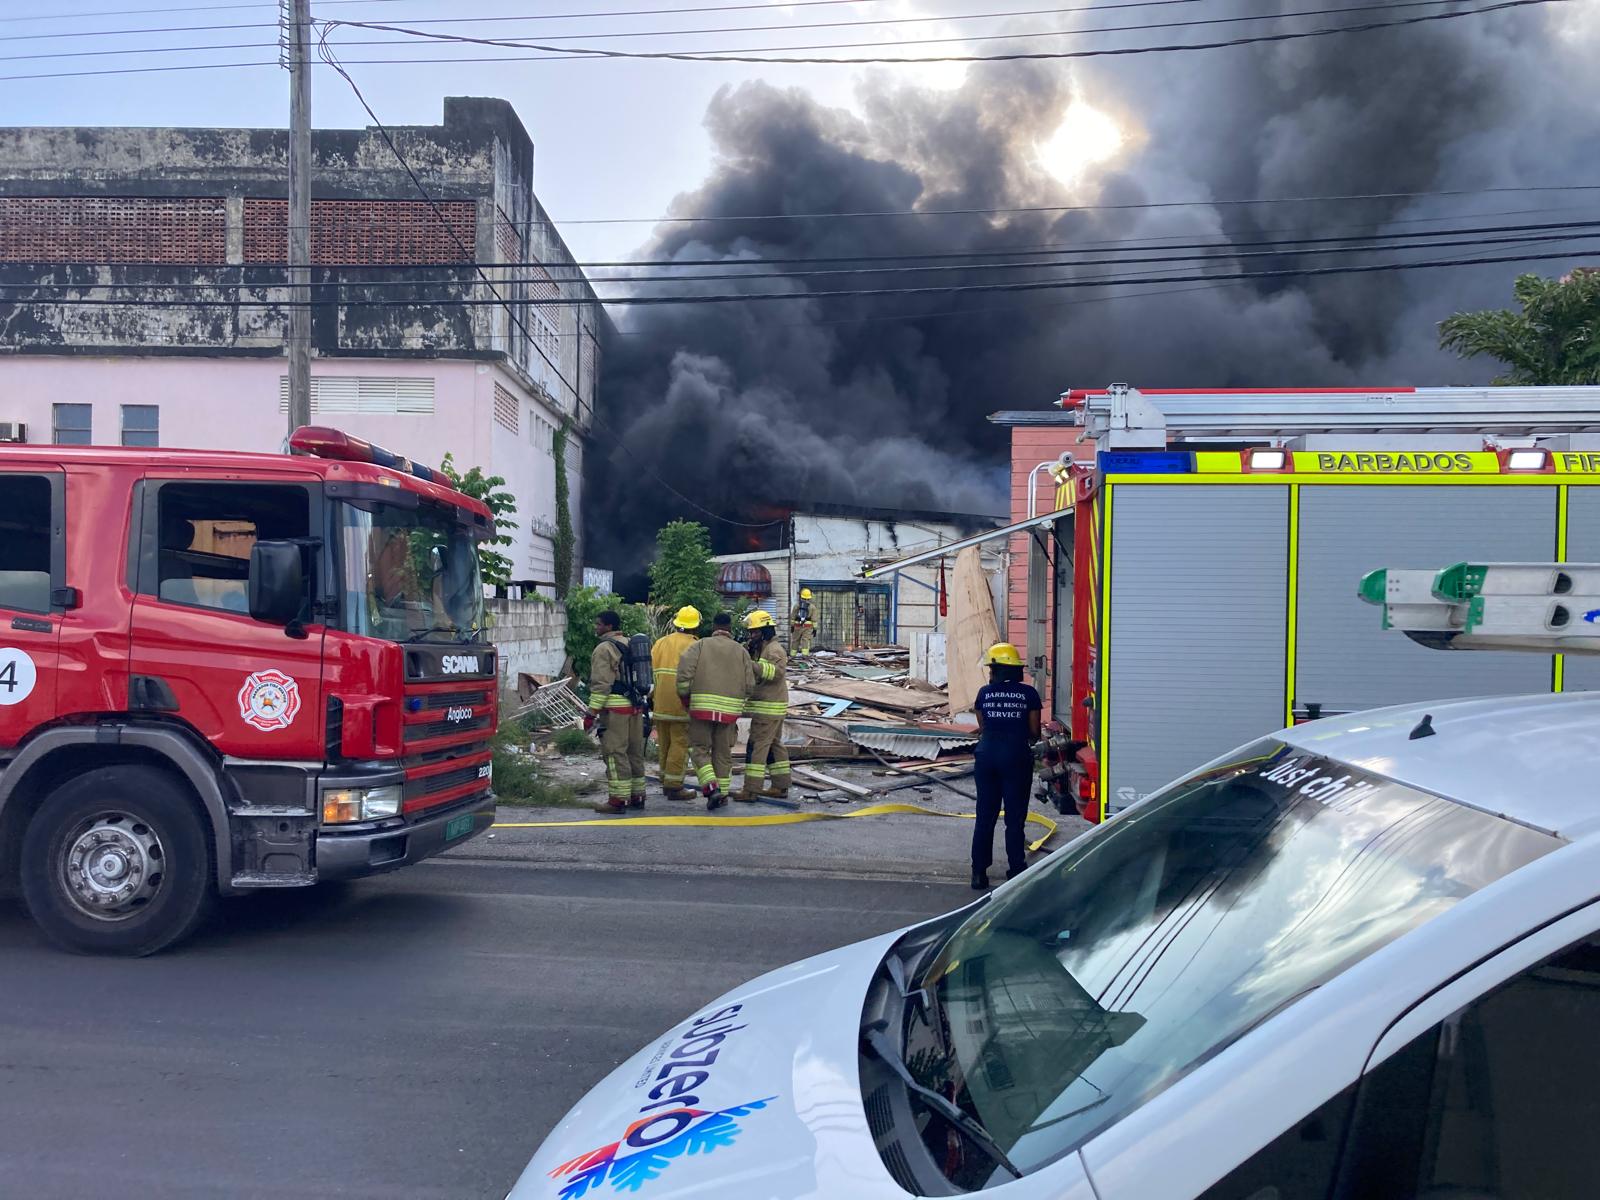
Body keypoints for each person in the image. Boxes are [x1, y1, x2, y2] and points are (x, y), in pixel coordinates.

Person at [970, 642, 1042, 890]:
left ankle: (979, 873)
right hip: (1016, 759)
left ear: (997, 670)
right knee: (1014, 818)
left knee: (985, 816)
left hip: (986, 757)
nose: (989, 673)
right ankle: (1016, 870)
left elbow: (983, 726)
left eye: (991, 669)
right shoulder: (1029, 694)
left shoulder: (983, 693)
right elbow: (1034, 732)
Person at [676, 611, 755, 810]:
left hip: (701, 708)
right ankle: (724, 794)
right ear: (729, 629)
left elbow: (684, 675)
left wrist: (686, 699)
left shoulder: (699, 646)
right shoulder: (741, 651)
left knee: (699, 749)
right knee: (722, 753)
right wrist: (738, 701)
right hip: (729, 712)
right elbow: (750, 685)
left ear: (713, 627)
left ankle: (711, 789)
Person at [585, 610, 646, 815]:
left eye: (599, 624)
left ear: (609, 627)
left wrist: (591, 712)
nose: (596, 628)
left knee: (614, 752)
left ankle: (618, 800)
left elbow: (601, 684)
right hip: (636, 706)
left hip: (615, 710)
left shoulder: (604, 649)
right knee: (634, 752)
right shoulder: (632, 644)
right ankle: (638, 795)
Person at [650, 605, 701, 802]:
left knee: (665, 743)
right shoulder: (696, 645)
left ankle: (665, 779)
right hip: (682, 703)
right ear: (695, 626)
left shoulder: (661, 642)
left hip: (660, 702)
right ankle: (674, 786)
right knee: (680, 744)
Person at [739, 609, 790, 801]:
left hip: (768, 707)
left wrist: (750, 665)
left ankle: (751, 790)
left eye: (755, 632)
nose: (752, 636)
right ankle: (780, 786)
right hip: (771, 705)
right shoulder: (764, 648)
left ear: (765, 631)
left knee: (757, 747)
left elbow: (776, 673)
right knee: (773, 746)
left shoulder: (774, 650)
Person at [791, 587, 815, 658]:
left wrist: (792, 626)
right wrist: (815, 629)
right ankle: (804, 655)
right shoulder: (812, 607)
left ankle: (792, 655)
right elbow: (814, 619)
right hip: (808, 627)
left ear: (801, 597)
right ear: (810, 598)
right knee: (805, 640)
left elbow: (793, 617)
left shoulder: (796, 606)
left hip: (797, 626)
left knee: (795, 640)